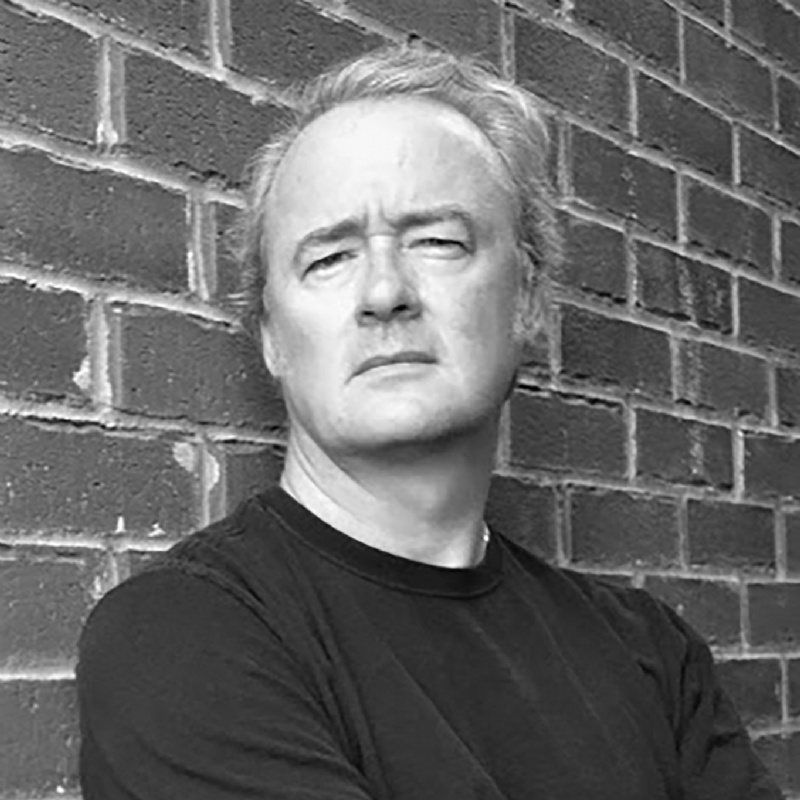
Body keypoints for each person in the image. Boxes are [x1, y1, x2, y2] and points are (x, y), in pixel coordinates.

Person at [77, 45, 782, 799]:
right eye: (328, 258)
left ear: (528, 301)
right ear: (271, 336)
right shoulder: (184, 633)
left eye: (439, 241)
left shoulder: (653, 653)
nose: (385, 292)